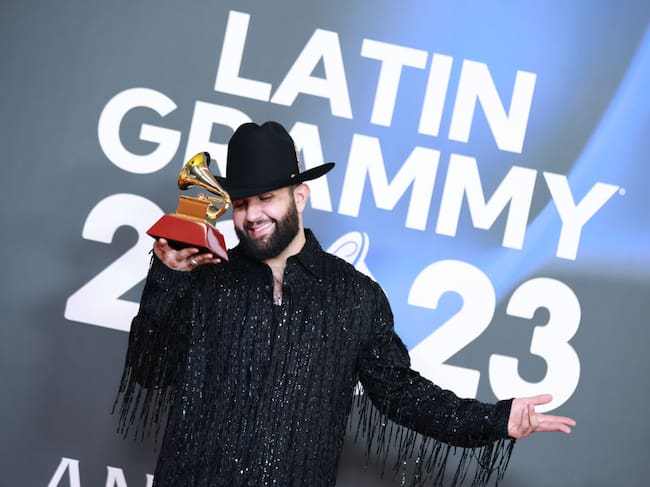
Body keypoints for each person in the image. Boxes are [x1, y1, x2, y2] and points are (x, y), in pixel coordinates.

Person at [115, 121, 575, 487]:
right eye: (241, 203)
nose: (251, 215)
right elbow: (150, 371)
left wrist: (495, 419)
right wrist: (169, 277)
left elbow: (400, 394)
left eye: (266, 198)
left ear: (300, 196)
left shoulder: (354, 296)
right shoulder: (203, 280)